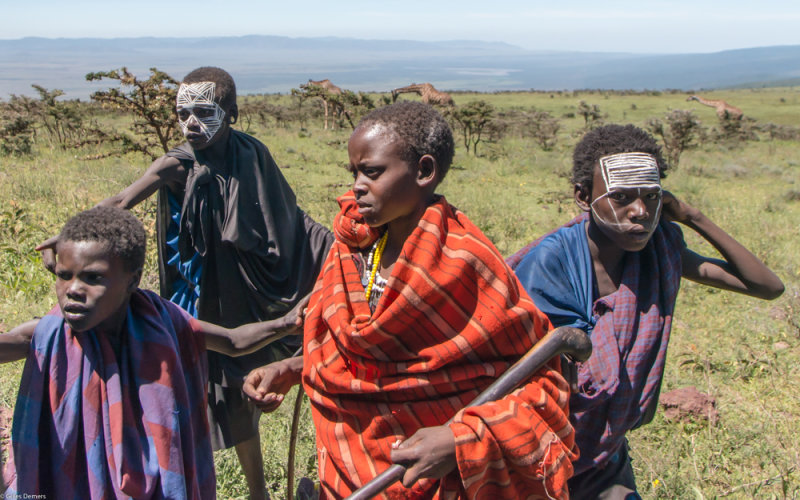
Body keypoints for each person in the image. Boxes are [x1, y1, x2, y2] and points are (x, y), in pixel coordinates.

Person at [243, 101, 577, 499]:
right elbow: (355, 355)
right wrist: (294, 367)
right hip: (348, 472)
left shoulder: (466, 261)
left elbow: (539, 378)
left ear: (423, 171)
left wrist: (460, 441)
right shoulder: (353, 248)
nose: (357, 186)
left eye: (372, 172)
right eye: (354, 173)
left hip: (437, 480)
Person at [37, 67, 333, 499]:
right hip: (205, 291)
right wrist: (72, 235)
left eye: (202, 112)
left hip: (251, 287)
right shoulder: (176, 164)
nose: (191, 124)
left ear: (231, 113)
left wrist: (336, 249)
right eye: (182, 113)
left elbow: (284, 216)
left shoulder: (253, 153)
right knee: (215, 390)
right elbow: (122, 200)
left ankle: (264, 489)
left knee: (247, 383)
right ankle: (229, 488)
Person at [508, 124, 785, 499]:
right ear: (583, 196)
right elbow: (535, 380)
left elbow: (766, 286)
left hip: (605, 455)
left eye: (652, 197)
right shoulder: (551, 262)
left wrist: (692, 216)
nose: (639, 212)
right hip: (539, 449)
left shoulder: (657, 251)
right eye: (621, 197)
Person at [2, 206, 307, 499]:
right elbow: (14, 339)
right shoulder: (53, 332)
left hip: (156, 476)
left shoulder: (162, 322)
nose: (73, 289)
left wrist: (284, 323)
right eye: (64, 275)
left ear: (132, 280)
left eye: (92, 277)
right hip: (76, 478)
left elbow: (231, 341)